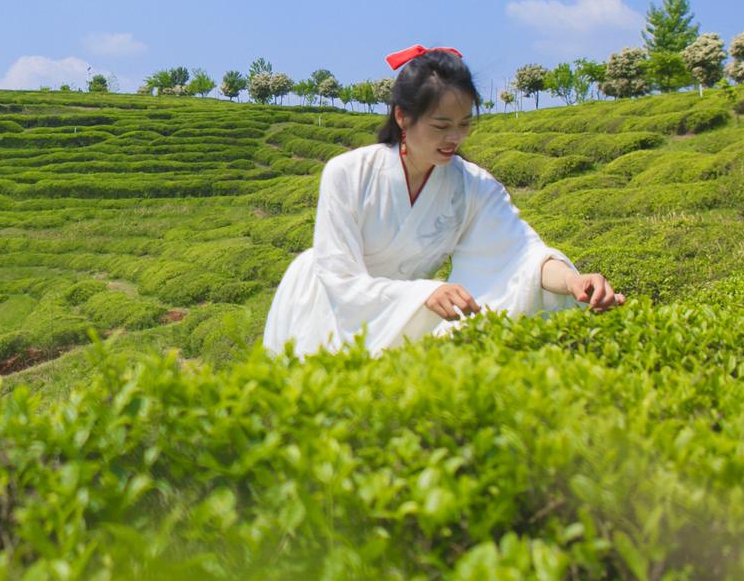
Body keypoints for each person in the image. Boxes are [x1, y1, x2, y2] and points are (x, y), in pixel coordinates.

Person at [262, 44, 623, 360]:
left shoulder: (472, 186)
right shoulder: (348, 172)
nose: (454, 137)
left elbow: (521, 256)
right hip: (326, 302)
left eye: (464, 124)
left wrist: (573, 282)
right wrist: (424, 294)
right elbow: (339, 277)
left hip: (406, 310)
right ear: (402, 116)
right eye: (440, 125)